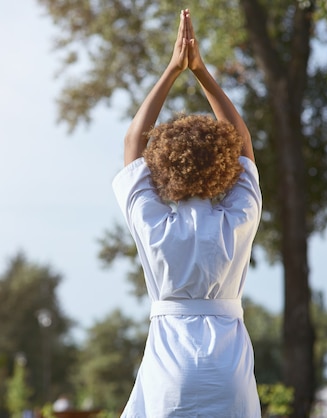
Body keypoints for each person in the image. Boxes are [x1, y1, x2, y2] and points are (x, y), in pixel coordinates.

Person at [112, 8, 262, 417]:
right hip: (228, 373)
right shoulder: (238, 220)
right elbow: (243, 139)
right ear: (224, 164)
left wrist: (174, 69)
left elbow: (132, 141)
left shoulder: (155, 225)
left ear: (162, 166)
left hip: (170, 370)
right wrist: (202, 72)